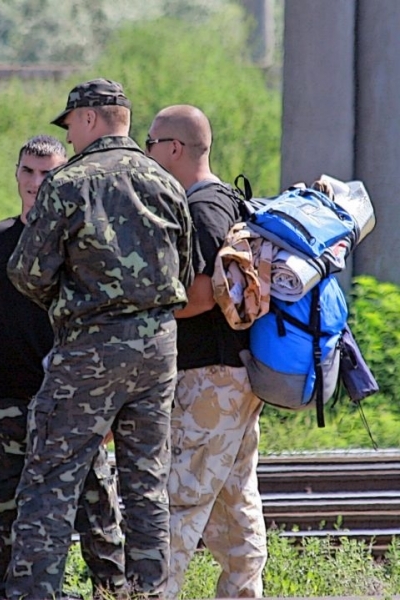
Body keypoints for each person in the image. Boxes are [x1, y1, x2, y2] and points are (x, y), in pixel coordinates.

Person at [5, 79, 194, 599]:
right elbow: (188, 268)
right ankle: (148, 592)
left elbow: (25, 271)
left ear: (88, 119)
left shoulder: (69, 184)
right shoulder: (166, 182)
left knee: (51, 481)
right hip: (158, 346)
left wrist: (76, 301)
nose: (70, 138)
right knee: (146, 484)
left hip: (91, 344)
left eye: (70, 127)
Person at [0, 135, 126, 600]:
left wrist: (108, 404)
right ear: (16, 174)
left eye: (47, 173)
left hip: (74, 403)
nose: (35, 183)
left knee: (99, 519)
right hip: (7, 400)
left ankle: (115, 595)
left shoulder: (86, 244)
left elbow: (108, 327)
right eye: (27, 171)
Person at [146, 105, 266, 598]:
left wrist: (146, 313)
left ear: (174, 149)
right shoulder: (229, 199)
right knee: (234, 505)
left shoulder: (200, 208)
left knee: (178, 502)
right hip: (235, 377)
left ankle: (151, 592)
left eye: (151, 144)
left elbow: (201, 293)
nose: (147, 153)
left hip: (209, 382)